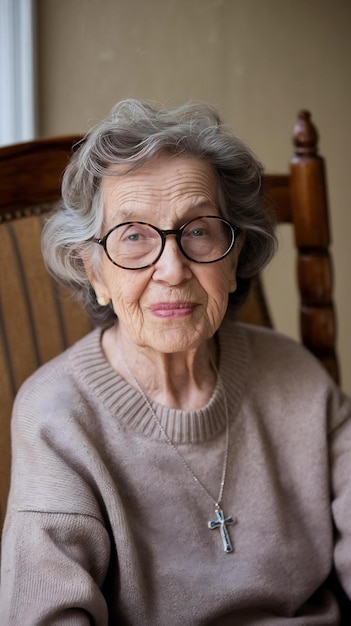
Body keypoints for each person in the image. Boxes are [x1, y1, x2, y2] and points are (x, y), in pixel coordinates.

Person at [0, 98, 350, 625]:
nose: (172, 268)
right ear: (93, 271)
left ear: (234, 257)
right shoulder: (57, 418)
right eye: (134, 236)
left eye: (198, 230)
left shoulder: (297, 376)